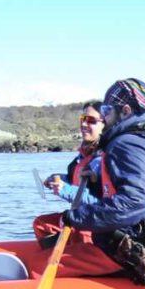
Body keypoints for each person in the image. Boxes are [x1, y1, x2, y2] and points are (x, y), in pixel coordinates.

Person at [29, 78, 145, 288]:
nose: (104, 117)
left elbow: (135, 202)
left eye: (106, 110)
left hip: (141, 251)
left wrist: (76, 217)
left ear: (124, 110)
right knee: (47, 230)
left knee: (39, 265)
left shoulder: (129, 144)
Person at [31, 101, 105, 247]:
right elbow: (75, 179)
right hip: (81, 218)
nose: (84, 124)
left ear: (106, 124)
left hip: (98, 225)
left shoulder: (106, 159)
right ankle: (57, 255)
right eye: (82, 119)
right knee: (41, 224)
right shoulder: (83, 157)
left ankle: (74, 260)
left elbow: (103, 202)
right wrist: (57, 179)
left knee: (80, 233)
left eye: (91, 120)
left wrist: (65, 190)